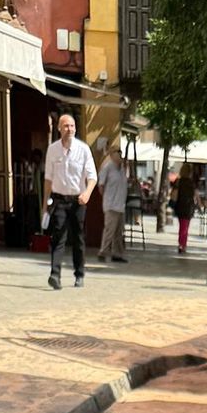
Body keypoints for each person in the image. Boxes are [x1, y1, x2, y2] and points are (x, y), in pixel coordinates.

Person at [43, 112, 95, 290]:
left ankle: (79, 274)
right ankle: (54, 275)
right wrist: (45, 205)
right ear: (59, 129)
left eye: (72, 126)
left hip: (78, 201)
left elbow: (92, 176)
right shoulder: (53, 150)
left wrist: (87, 193)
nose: (69, 129)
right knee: (58, 237)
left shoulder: (83, 149)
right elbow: (48, 180)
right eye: (66, 126)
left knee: (78, 238)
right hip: (59, 199)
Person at [97, 141, 129, 263]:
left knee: (118, 232)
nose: (120, 154)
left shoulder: (122, 168)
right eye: (117, 152)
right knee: (109, 230)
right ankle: (103, 251)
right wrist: (106, 198)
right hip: (111, 204)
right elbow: (101, 185)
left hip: (121, 204)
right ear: (111, 154)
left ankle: (117, 254)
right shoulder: (107, 168)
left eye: (120, 152)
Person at [172, 163, 197, 254]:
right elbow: (195, 194)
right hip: (189, 206)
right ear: (190, 172)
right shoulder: (191, 182)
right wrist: (199, 204)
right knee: (185, 226)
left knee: (182, 226)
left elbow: (174, 193)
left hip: (180, 206)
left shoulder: (178, 181)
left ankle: (181, 244)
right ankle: (183, 245)